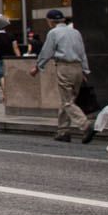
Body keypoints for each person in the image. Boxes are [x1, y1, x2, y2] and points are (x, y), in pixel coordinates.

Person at [30, 10, 96, 143]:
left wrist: (37, 67)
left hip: (64, 67)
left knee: (67, 101)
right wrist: (84, 70)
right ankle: (63, 131)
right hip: (77, 67)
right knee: (68, 100)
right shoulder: (75, 32)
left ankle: (85, 125)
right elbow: (82, 52)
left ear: (50, 21)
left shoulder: (53, 33)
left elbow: (46, 52)